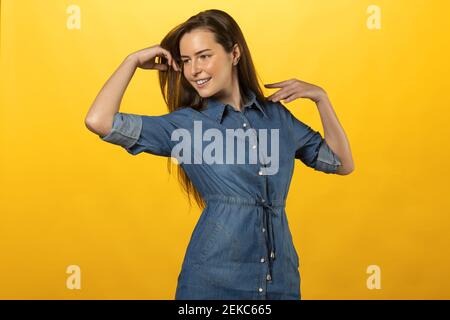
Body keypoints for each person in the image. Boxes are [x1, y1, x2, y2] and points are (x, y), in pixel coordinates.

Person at [84, 9, 354, 300]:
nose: (194, 70)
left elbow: (341, 163)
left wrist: (321, 98)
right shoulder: (186, 126)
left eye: (204, 56)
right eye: (186, 61)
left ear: (234, 53)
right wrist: (132, 61)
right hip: (211, 286)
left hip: (281, 282)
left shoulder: (277, 118)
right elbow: (99, 121)